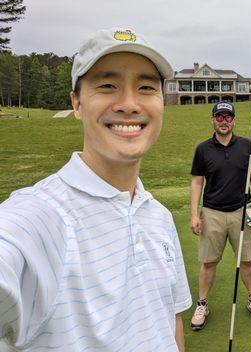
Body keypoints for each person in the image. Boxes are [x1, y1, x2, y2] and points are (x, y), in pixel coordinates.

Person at [0, 28, 192, 352]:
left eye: (146, 87)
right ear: (77, 103)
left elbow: (169, 321)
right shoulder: (39, 219)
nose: (130, 104)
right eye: (107, 85)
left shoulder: (158, 216)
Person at [189, 101, 251, 330]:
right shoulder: (203, 149)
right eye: (219, 117)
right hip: (212, 212)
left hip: (241, 212)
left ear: (234, 120)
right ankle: (202, 304)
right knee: (209, 262)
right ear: (213, 119)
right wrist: (194, 214)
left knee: (247, 261)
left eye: (228, 117)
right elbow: (197, 182)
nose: (223, 121)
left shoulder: (246, 145)